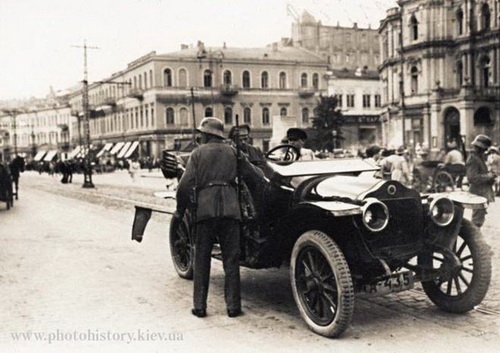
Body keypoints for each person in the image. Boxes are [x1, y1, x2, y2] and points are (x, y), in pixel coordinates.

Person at [175, 117, 264, 318]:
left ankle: (200, 306)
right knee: (231, 260)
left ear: (206, 135)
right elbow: (256, 177)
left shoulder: (197, 154)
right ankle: (233, 307)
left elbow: (185, 186)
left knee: (201, 259)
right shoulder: (234, 152)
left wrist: (181, 211)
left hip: (204, 212)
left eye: (201, 133)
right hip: (231, 212)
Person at [466, 134, 496, 228]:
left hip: (482, 192)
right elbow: (472, 178)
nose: (484, 151)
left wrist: (490, 176)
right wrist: (488, 176)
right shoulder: (473, 159)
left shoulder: (479, 157)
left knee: (479, 219)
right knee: (477, 220)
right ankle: (474, 241)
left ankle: (474, 239)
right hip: (478, 193)